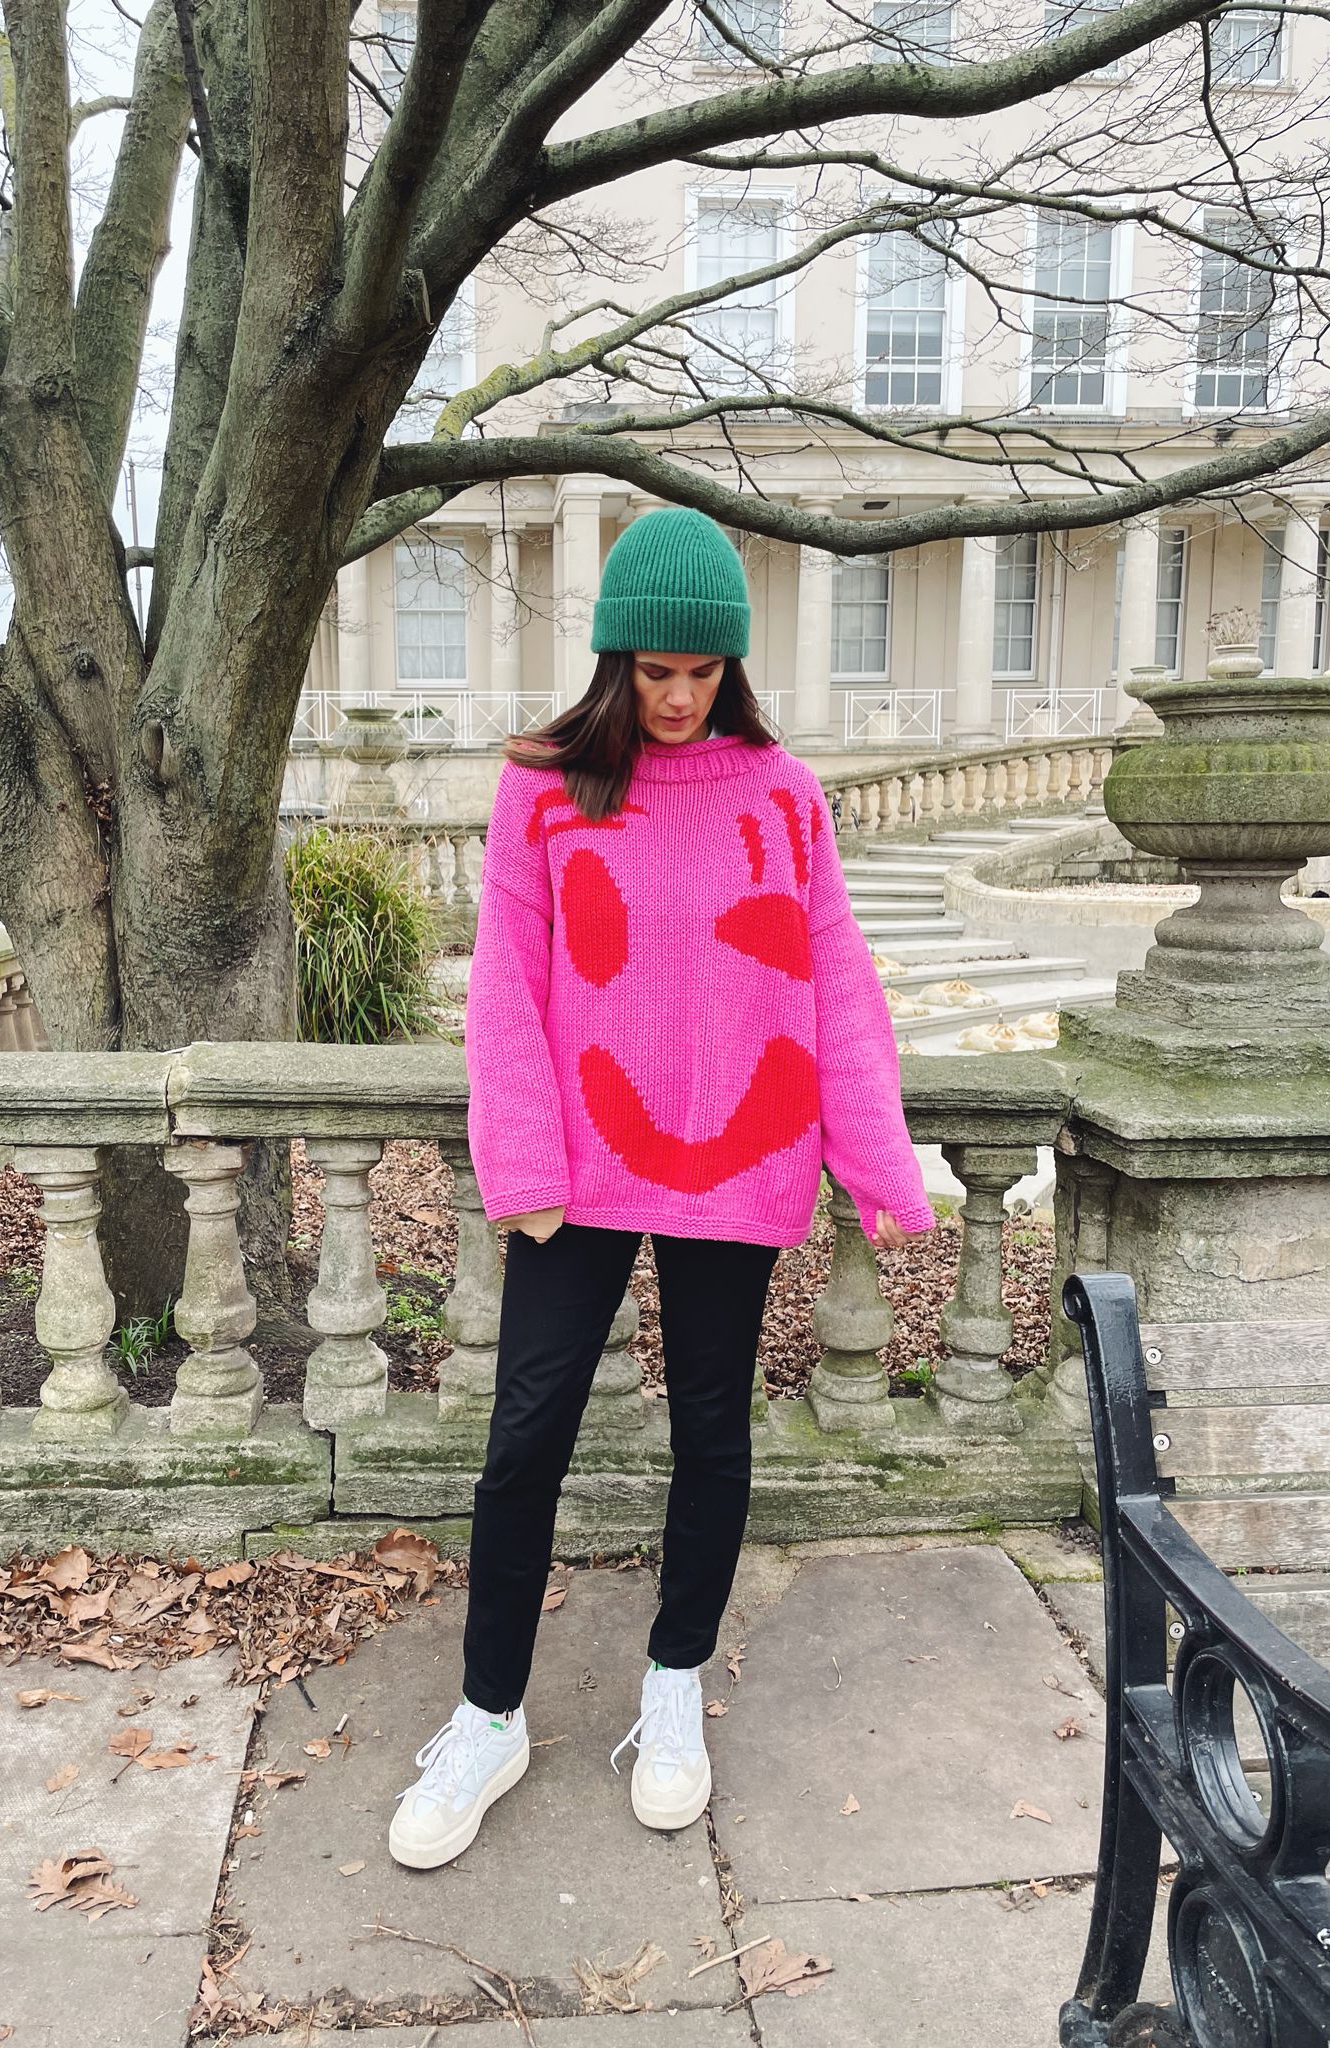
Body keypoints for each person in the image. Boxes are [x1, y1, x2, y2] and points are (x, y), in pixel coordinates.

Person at [388, 505, 937, 1870]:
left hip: (737, 1159)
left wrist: (876, 1157)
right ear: (615, 664)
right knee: (525, 1439)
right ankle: (490, 1711)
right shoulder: (541, 790)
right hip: (575, 1167)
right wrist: (518, 1159)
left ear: (731, 668)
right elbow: (508, 989)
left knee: (711, 1430)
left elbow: (837, 982)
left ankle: (675, 1684)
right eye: (655, 672)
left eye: (700, 672)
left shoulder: (784, 795)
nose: (678, 697)